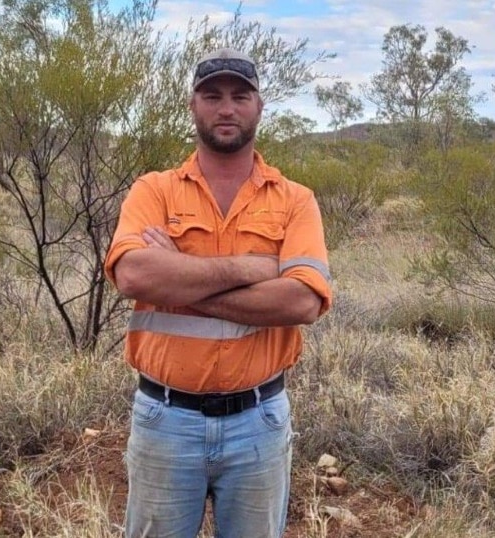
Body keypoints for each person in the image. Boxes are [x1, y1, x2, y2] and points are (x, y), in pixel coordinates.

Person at [103, 47, 332, 538]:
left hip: (259, 421)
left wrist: (180, 276)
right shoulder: (155, 190)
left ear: (259, 107)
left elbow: (302, 301)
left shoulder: (295, 200)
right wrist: (253, 268)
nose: (226, 108)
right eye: (212, 96)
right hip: (165, 419)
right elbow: (134, 277)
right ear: (194, 105)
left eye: (239, 96)